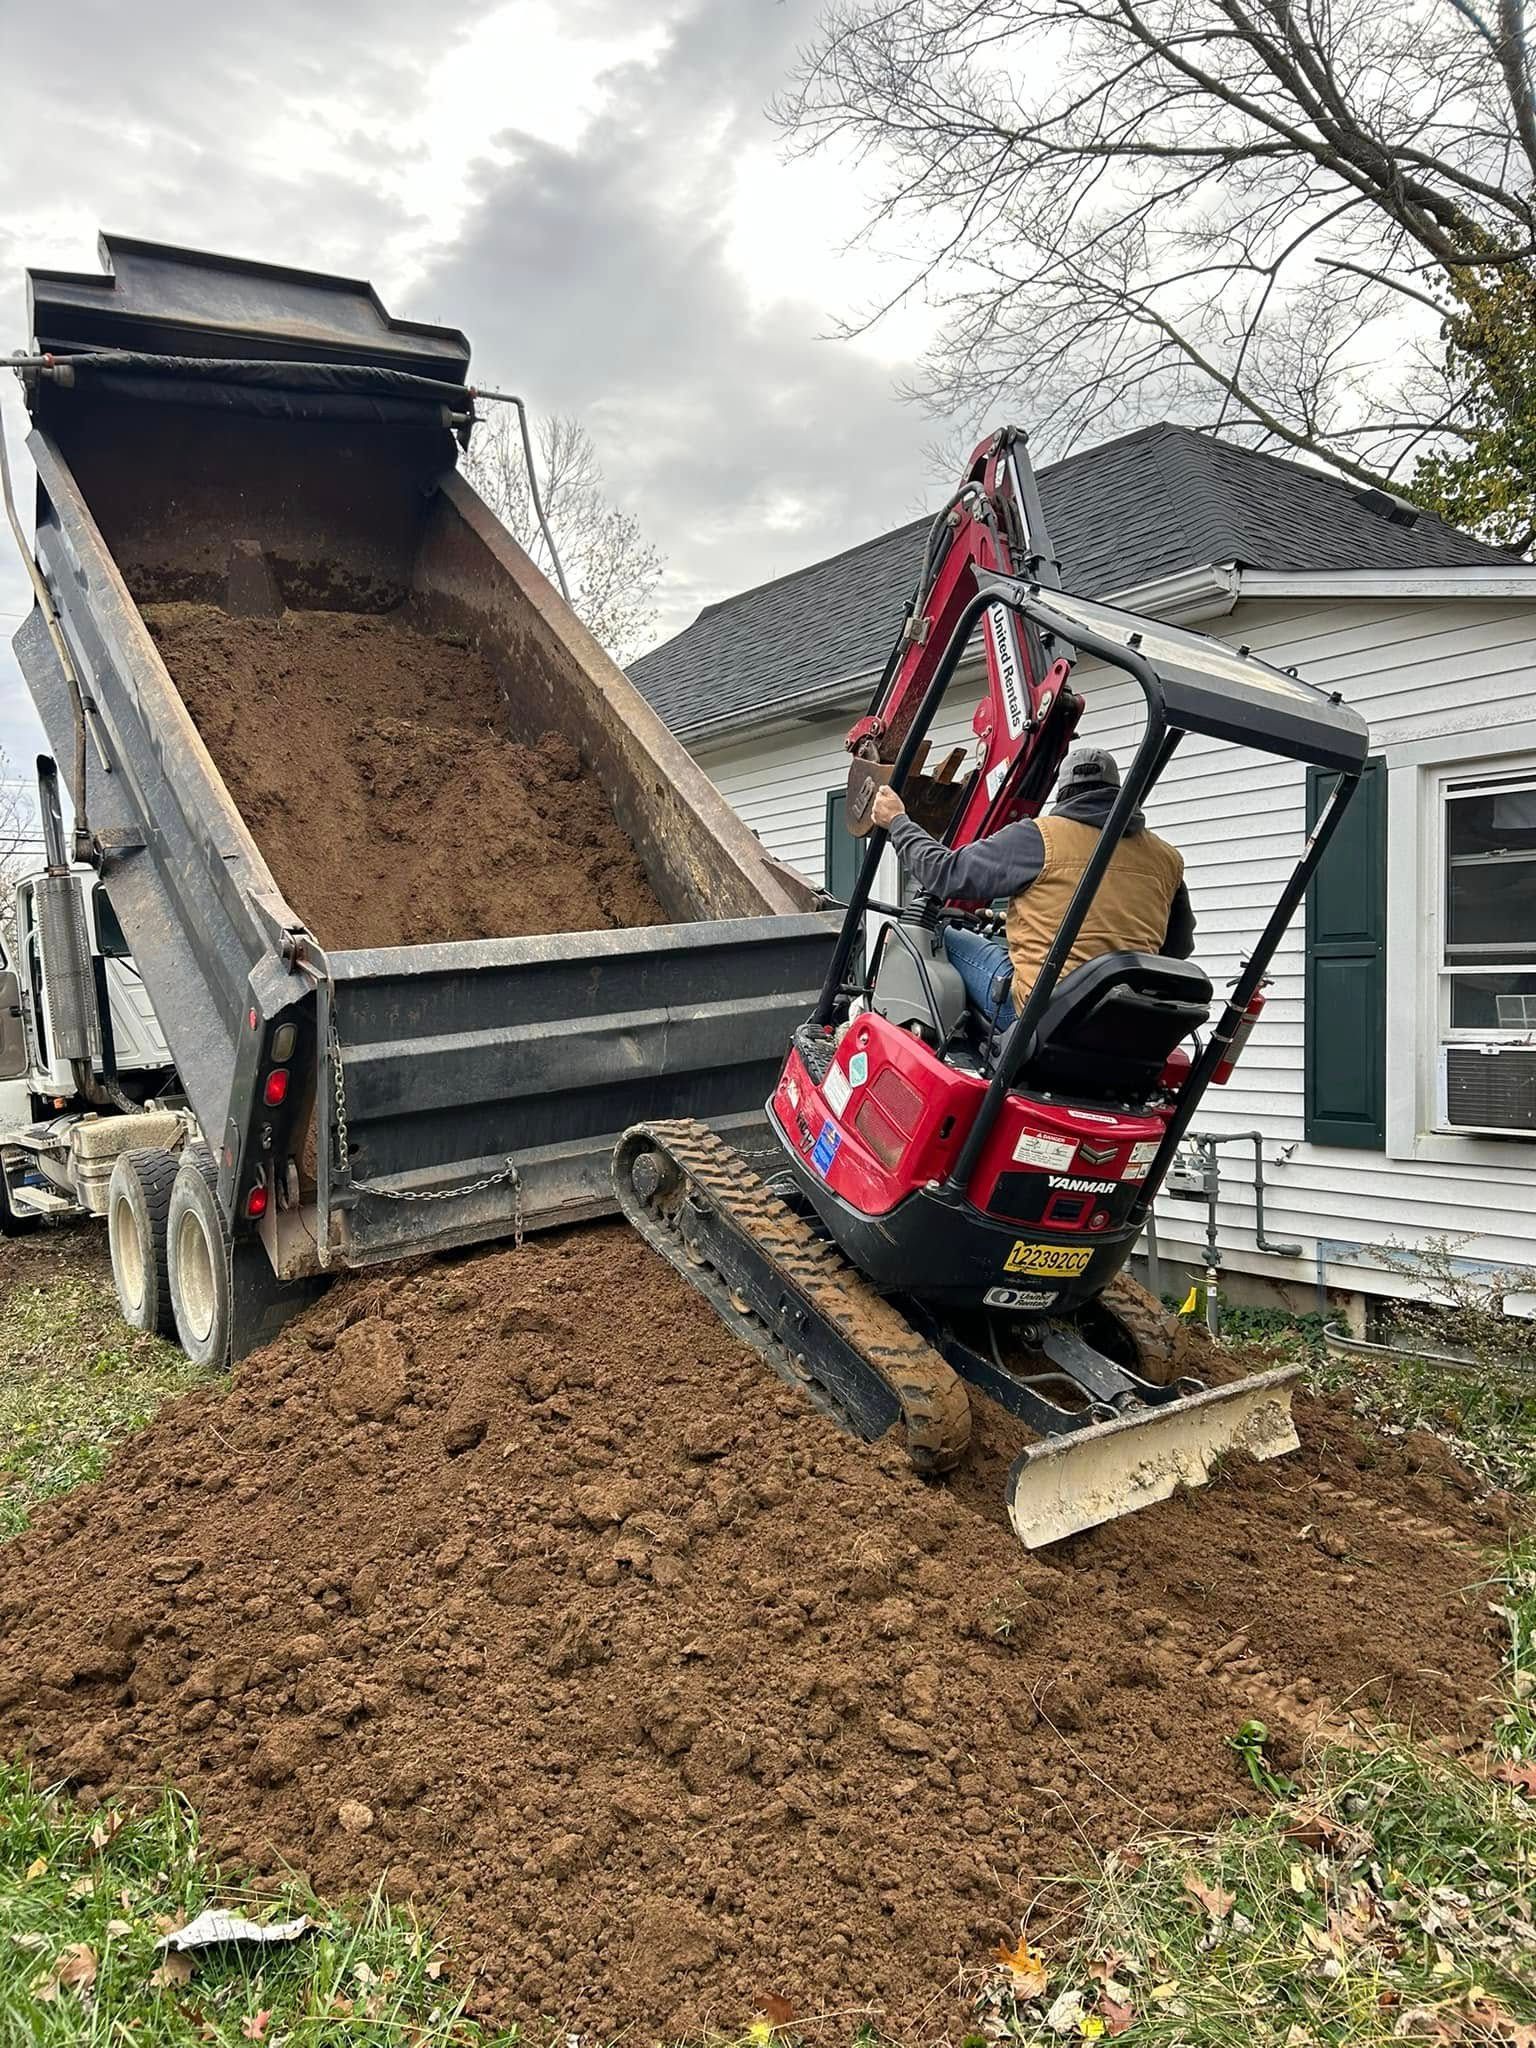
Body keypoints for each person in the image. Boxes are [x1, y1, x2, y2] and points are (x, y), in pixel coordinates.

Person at [870, 746, 1194, 1027]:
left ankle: (905, 1031)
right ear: (1118, 791)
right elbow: (1177, 948)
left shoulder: (1042, 836)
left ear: (1065, 793)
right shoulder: (1166, 858)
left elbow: (944, 874)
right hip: (1120, 1019)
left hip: (1039, 1016)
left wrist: (898, 821)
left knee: (932, 935)